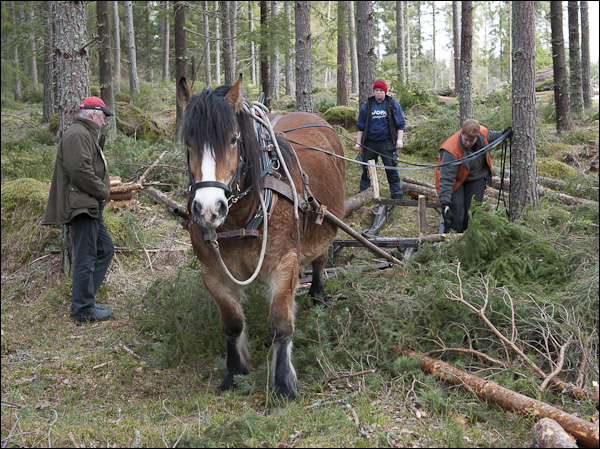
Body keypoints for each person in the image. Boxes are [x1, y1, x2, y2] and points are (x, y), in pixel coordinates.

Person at [43, 96, 116, 324]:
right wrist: (103, 192)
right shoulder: (77, 134)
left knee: (104, 249)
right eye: (103, 116)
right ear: (94, 114)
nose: (104, 122)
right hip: (82, 205)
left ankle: (86, 301)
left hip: (88, 204)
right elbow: (80, 170)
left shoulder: (84, 134)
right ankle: (83, 310)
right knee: (86, 257)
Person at [436, 119, 511, 233]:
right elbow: (446, 180)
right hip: (456, 180)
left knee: (472, 212)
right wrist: (445, 203)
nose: (467, 143)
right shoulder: (450, 150)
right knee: (456, 215)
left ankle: (469, 240)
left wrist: (503, 134)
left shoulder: (483, 134)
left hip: (476, 177)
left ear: (477, 137)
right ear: (461, 133)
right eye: (465, 140)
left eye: (471, 141)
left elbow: (493, 136)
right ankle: (450, 243)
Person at [353, 79, 406, 199]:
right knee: (366, 168)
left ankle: (397, 195)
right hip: (370, 143)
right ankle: (364, 193)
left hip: (387, 142)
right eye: (376, 90)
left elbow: (400, 124)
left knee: (391, 168)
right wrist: (358, 143)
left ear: (385, 92)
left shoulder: (392, 104)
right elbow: (361, 126)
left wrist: (399, 140)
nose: (378, 93)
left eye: (381, 90)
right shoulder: (368, 105)